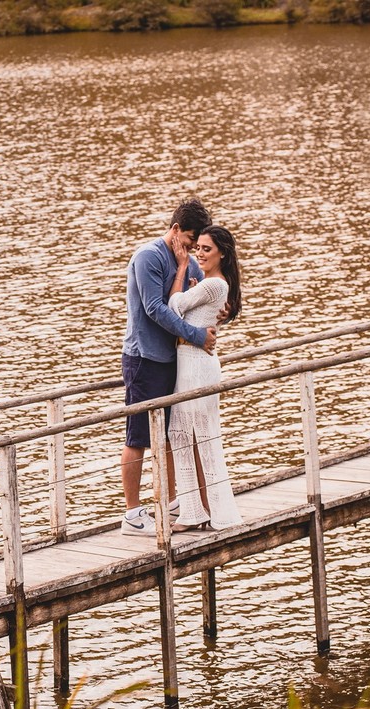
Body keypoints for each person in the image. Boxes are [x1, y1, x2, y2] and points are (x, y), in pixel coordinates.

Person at [121, 199, 218, 533]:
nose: (192, 250)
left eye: (196, 245)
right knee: (138, 437)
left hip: (172, 360)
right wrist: (196, 334)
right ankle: (132, 514)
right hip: (144, 358)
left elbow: (189, 303)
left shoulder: (187, 264)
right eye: (190, 241)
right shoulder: (148, 257)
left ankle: (173, 501)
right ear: (176, 230)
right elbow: (155, 309)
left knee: (169, 435)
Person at [165, 224, 243, 531]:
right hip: (189, 361)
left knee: (198, 436)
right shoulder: (211, 285)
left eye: (207, 249)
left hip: (197, 364)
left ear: (222, 254)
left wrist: (182, 267)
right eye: (198, 248)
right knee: (181, 434)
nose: (200, 253)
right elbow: (188, 309)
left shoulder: (213, 285)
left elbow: (175, 306)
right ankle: (194, 511)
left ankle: (210, 511)